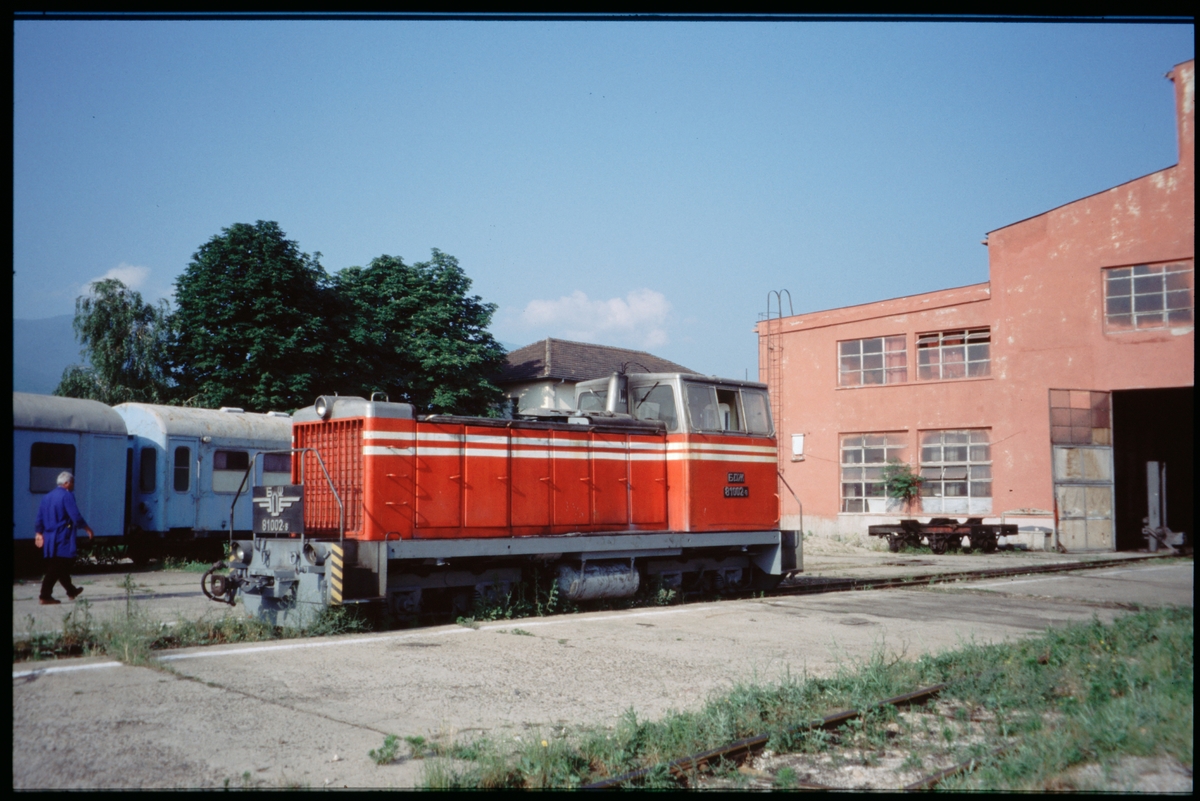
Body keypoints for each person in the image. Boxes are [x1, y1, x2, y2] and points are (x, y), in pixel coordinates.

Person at [34, 471, 94, 605]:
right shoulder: (67, 496)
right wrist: (87, 528)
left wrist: (38, 533)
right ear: (66, 483)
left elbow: (39, 518)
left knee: (60, 565)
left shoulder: (47, 497)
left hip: (49, 537)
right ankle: (45, 595)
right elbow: (75, 516)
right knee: (58, 565)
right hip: (62, 536)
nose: (73, 485)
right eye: (72, 482)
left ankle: (71, 591)